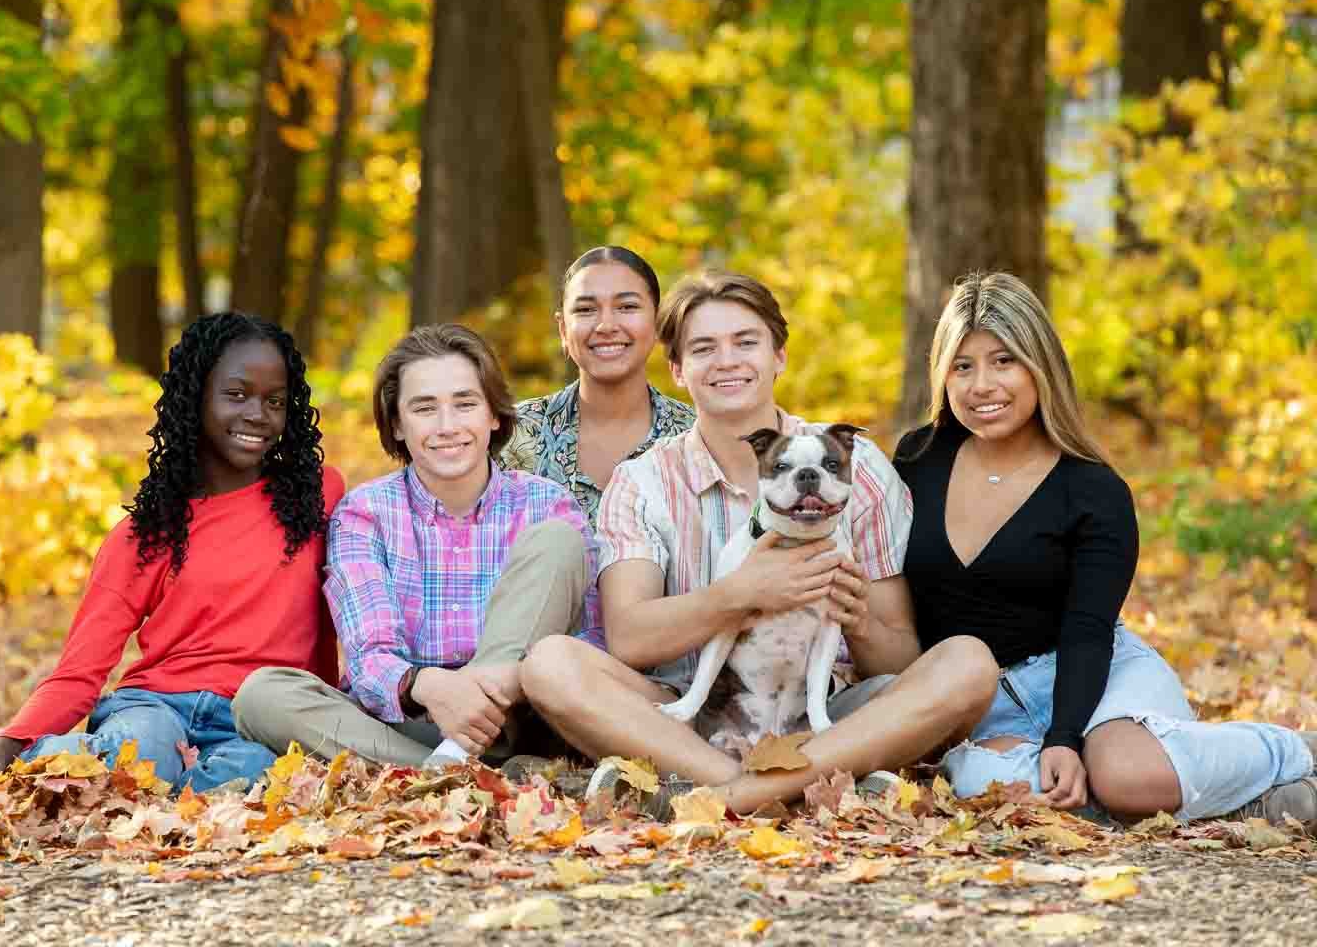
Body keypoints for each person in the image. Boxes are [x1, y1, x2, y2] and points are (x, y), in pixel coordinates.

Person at [519, 271, 999, 816]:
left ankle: (733, 797)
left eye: (746, 342)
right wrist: (740, 593)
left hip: (829, 712)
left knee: (969, 663)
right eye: (704, 348)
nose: (727, 361)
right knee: (549, 664)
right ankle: (788, 787)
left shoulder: (854, 468)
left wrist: (857, 618)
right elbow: (628, 638)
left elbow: (899, 657)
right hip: (691, 713)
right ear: (677, 369)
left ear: (779, 356)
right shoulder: (643, 481)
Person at [896, 270, 1316, 824]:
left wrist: (1065, 735)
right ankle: (1242, 800)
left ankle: (1299, 750)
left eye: (1004, 361)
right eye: (962, 366)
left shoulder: (1094, 490)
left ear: (1040, 366)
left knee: (1119, 771)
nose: (982, 386)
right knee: (979, 783)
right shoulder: (917, 461)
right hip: (984, 701)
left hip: (1099, 676)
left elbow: (1088, 630)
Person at [0, 313, 344, 795]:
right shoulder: (145, 532)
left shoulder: (317, 496)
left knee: (249, 773)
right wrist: (5, 743)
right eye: (236, 395)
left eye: (274, 401)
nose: (257, 414)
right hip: (155, 707)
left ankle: (165, 806)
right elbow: (79, 671)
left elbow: (343, 614)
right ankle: (48, 768)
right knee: (144, 755)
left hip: (255, 717)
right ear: (194, 398)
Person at [233, 323, 603, 769]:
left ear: (494, 415)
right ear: (398, 424)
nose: (448, 427)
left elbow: (589, 644)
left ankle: (433, 772)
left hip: (523, 723)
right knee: (261, 696)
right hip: (407, 722)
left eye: (465, 404)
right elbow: (371, 657)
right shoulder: (365, 514)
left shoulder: (549, 507)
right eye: (425, 408)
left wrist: (489, 689)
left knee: (556, 542)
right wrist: (430, 687)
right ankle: (464, 774)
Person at [499, 245, 694, 524]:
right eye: (586, 309)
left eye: (627, 307)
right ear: (563, 330)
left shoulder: (695, 440)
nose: (606, 325)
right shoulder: (512, 436)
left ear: (658, 323)